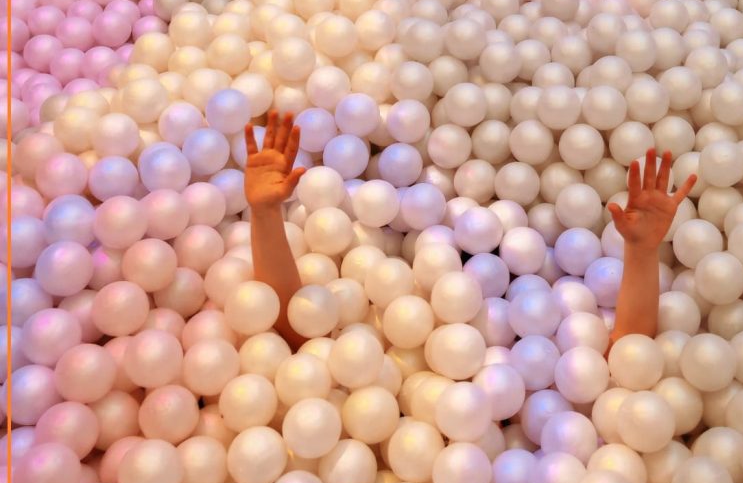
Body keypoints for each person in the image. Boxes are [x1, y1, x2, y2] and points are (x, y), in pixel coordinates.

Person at [243, 111, 697, 352]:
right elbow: (294, 332)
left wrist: (642, 252)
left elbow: (628, 360)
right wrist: (264, 216)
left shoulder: (542, 353)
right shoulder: (383, 336)